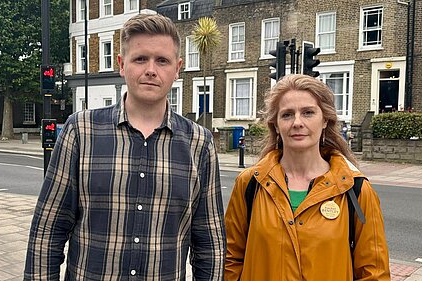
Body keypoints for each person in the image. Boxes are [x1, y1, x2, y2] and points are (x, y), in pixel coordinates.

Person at [24, 14, 225, 280]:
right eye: (140, 59)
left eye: (162, 60)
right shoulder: (81, 131)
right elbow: (48, 230)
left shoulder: (199, 143)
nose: (151, 69)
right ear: (121, 64)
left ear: (177, 68)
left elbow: (209, 244)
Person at [224, 74, 390, 280]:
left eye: (308, 112)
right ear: (275, 125)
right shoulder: (250, 183)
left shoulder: (356, 190)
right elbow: (231, 258)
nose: (297, 122)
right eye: (287, 115)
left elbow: (374, 272)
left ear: (325, 120)